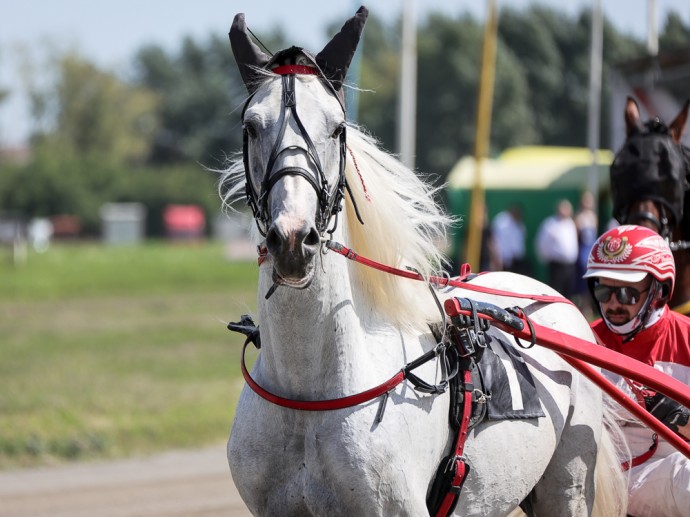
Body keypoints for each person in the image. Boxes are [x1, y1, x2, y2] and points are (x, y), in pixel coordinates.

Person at [583, 224, 690, 517]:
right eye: (604, 291)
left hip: (666, 479)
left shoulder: (687, 339)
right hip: (594, 481)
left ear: (659, 290)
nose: (613, 304)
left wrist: (680, 418)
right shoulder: (581, 340)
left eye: (628, 293)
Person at [535, 199, 578, 298]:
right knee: (555, 291)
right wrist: (546, 258)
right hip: (557, 265)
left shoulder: (570, 223)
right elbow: (542, 244)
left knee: (568, 293)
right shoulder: (550, 224)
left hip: (570, 265)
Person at [574, 192, 598, 316]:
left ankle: (589, 306)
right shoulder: (579, 217)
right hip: (583, 252)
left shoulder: (593, 216)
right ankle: (584, 307)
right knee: (582, 280)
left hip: (591, 252)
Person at [491, 204, 527, 274]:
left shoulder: (520, 225)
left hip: (516, 260)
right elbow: (496, 240)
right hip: (503, 259)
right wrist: (497, 258)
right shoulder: (501, 222)